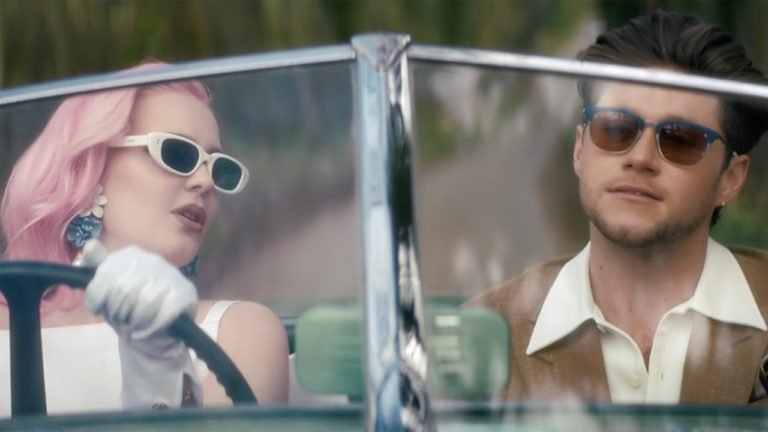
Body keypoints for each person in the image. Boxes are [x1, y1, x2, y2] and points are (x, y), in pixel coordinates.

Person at [467, 10, 768, 404]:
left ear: (730, 177)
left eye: (680, 140)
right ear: (580, 150)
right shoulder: (482, 336)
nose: (640, 158)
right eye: (614, 129)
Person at [0, 62, 289, 415]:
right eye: (177, 153)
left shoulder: (243, 333)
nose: (205, 182)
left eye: (219, 169)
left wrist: (160, 372)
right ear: (90, 168)